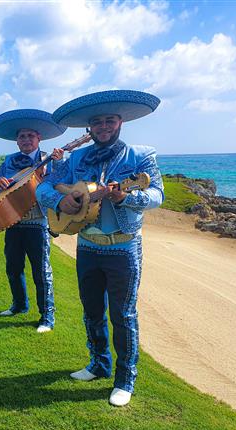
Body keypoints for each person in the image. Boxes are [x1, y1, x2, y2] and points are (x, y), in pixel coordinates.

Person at [36, 90, 163, 406]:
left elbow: (158, 195)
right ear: (89, 128)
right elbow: (43, 185)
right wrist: (60, 199)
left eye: (110, 120)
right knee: (92, 310)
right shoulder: (77, 158)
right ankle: (99, 364)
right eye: (97, 122)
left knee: (123, 314)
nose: (104, 126)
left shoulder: (140, 156)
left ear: (120, 121)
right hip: (88, 246)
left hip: (124, 247)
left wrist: (127, 197)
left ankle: (125, 379)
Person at [0, 109, 66, 333]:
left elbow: (62, 182)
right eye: (22, 136)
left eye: (30, 136)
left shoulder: (49, 160)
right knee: (13, 267)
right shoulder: (9, 160)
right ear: (17, 140)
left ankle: (47, 315)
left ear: (38, 138)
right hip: (12, 222)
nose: (26, 140)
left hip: (38, 224)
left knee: (41, 271)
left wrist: (58, 164)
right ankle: (19, 304)